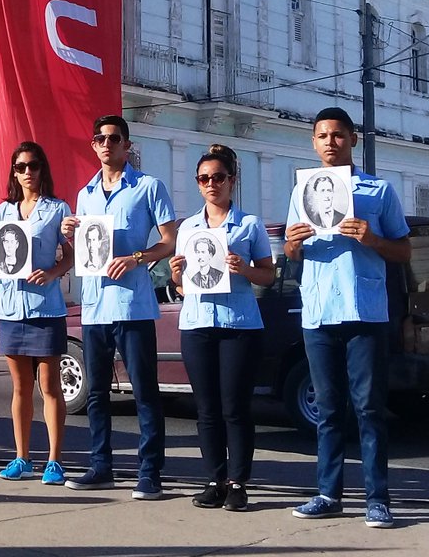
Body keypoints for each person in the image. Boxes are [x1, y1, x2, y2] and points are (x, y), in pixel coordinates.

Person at [286, 107, 411, 529]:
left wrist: (372, 239)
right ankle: (328, 493)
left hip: (364, 312)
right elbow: (291, 254)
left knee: (369, 409)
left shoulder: (379, 191)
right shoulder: (301, 192)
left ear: (352, 139)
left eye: (338, 135)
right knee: (327, 409)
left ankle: (377, 498)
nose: (329, 142)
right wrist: (293, 244)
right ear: (313, 142)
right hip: (318, 313)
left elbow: (404, 250)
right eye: (322, 135)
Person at [62, 115, 177, 500]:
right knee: (97, 392)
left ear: (127, 145)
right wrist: (70, 235)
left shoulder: (148, 187)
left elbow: (169, 241)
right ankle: (102, 466)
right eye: (100, 139)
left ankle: (150, 472)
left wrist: (137, 257)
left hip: (132, 306)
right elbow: (87, 251)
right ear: (93, 146)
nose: (107, 144)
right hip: (95, 306)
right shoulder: (85, 194)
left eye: (114, 138)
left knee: (144, 391)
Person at [168, 145, 275, 512]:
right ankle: (214, 479)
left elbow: (268, 275)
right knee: (206, 408)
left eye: (218, 177)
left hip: (238, 325)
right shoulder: (188, 228)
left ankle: (238, 482)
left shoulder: (249, 225)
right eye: (204, 178)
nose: (211, 184)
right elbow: (183, 286)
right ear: (198, 185)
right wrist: (177, 277)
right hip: (197, 323)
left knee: (235, 407)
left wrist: (243, 269)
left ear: (232, 181)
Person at [0, 142, 75, 486]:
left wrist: (52, 272)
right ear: (13, 171)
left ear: (42, 169)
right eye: (20, 166)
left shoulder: (57, 209)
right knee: (20, 387)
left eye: (33, 166)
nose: (27, 172)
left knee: (49, 387)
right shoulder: (4, 212)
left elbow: (70, 255)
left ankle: (55, 460)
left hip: (44, 307)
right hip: (10, 307)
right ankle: (21, 457)